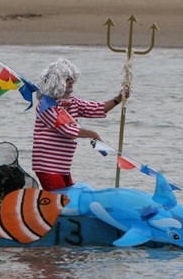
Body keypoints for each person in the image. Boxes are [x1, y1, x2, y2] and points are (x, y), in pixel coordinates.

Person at [32, 58, 128, 191]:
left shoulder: (73, 102)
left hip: (62, 165)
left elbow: (96, 108)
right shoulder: (45, 106)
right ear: (55, 82)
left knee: (67, 199)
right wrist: (92, 134)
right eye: (66, 78)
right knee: (60, 201)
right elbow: (66, 128)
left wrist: (118, 99)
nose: (70, 81)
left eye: (71, 77)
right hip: (47, 165)